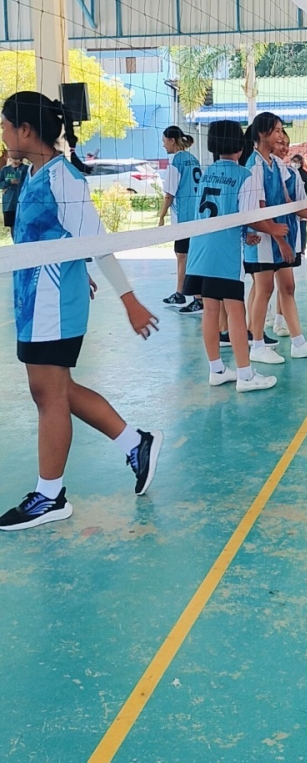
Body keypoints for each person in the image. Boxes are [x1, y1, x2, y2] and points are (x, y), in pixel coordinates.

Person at [0, 91, 161, 532]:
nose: (3, 134)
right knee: (55, 390)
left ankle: (50, 496)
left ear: (25, 130)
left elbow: (98, 242)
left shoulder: (64, 178)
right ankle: (135, 443)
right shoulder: (33, 173)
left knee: (49, 394)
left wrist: (129, 301)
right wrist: (77, 268)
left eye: (5, 126)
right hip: (36, 300)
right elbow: (57, 237)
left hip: (53, 304)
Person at [183, 121, 277, 393]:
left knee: (211, 309)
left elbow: (220, 212)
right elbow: (248, 217)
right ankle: (246, 375)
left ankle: (216, 370)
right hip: (225, 254)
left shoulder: (207, 173)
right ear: (241, 145)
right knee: (236, 310)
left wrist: (245, 232)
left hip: (200, 249)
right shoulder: (245, 176)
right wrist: (271, 229)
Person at [241, 112, 307, 364]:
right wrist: (280, 240)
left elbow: (290, 202)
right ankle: (257, 344)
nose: (281, 136)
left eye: (282, 130)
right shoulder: (253, 166)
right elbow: (257, 210)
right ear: (262, 134)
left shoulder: (278, 165)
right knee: (265, 289)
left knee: (287, 287)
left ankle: (298, 343)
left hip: (279, 237)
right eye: (277, 131)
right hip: (262, 239)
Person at [159, 126, 203, 313]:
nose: (163, 145)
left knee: (185, 256)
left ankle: (198, 298)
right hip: (196, 214)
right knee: (183, 255)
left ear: (172, 140)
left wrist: (161, 216)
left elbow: (169, 194)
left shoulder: (176, 160)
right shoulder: (193, 158)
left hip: (184, 217)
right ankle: (180, 293)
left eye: (164, 141)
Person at [0, 155, 28, 239]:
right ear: (9, 158)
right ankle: (15, 244)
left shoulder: (26, 169)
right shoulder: (4, 170)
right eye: (13, 158)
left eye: (17, 158)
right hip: (9, 204)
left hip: (24, 202)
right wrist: (9, 182)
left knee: (25, 224)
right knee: (12, 226)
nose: (15, 161)